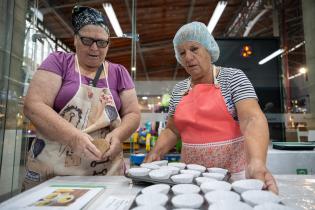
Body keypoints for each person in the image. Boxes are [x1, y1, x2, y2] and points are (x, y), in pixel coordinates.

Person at [145, 21, 278, 194]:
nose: (188, 57)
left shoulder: (232, 78)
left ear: (208, 49)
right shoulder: (179, 90)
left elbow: (252, 119)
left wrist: (257, 162)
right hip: (190, 179)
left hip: (233, 180)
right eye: (182, 53)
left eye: (194, 49)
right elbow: (172, 130)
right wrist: (155, 153)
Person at [23, 5, 140, 189]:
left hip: (105, 172)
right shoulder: (59, 62)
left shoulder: (119, 72)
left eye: (102, 42)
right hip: (54, 172)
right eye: (87, 40)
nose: (95, 48)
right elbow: (33, 105)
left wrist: (118, 135)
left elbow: (133, 113)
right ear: (75, 39)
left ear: (108, 43)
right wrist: (73, 138)